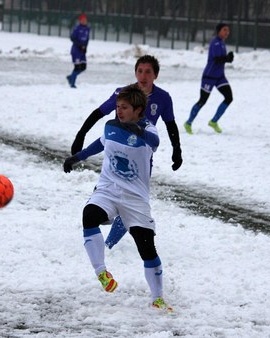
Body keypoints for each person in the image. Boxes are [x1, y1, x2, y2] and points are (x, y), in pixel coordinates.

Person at [63, 85, 173, 312]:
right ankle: (101, 272)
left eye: (124, 108)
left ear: (138, 110)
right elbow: (101, 142)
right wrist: (77, 157)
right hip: (109, 190)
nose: (119, 111)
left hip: (135, 197)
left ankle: (158, 297)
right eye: (117, 107)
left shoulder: (148, 129)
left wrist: (135, 130)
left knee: (147, 248)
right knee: (90, 215)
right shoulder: (111, 125)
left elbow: (155, 142)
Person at [71, 55, 182, 250]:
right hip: (115, 153)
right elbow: (99, 113)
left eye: (148, 71)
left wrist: (177, 150)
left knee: (131, 200)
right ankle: (102, 226)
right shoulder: (122, 94)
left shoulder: (163, 98)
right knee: (105, 195)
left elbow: (171, 125)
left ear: (155, 75)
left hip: (141, 159)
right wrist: (81, 134)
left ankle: (108, 246)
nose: (143, 75)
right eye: (140, 71)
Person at [184, 23, 234, 134]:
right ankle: (188, 123)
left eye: (228, 30)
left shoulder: (222, 43)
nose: (227, 32)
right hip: (209, 77)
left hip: (220, 77)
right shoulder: (215, 43)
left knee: (229, 97)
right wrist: (227, 58)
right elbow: (216, 59)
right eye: (225, 30)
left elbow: (221, 59)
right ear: (219, 31)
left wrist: (227, 59)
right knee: (202, 101)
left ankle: (213, 121)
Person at [66, 13, 89, 88]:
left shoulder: (87, 28)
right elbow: (72, 38)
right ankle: (72, 84)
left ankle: (70, 77)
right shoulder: (77, 28)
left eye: (85, 20)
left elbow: (87, 39)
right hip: (76, 51)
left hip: (82, 51)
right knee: (77, 67)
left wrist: (85, 47)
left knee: (83, 67)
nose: (84, 21)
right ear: (80, 21)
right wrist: (80, 45)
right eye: (82, 20)